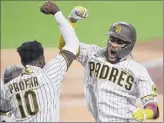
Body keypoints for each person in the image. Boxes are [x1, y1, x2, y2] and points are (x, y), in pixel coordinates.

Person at [58, 6, 160, 122]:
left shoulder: (138, 71)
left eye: (119, 42)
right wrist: (71, 20)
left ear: (129, 45)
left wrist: (145, 114)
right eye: (112, 39)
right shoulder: (93, 54)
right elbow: (66, 46)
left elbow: (153, 107)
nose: (113, 44)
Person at [0, 1, 80, 122]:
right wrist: (57, 13)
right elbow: (73, 43)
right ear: (42, 58)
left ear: (22, 62)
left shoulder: (7, 88)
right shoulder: (49, 74)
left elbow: (3, 112)